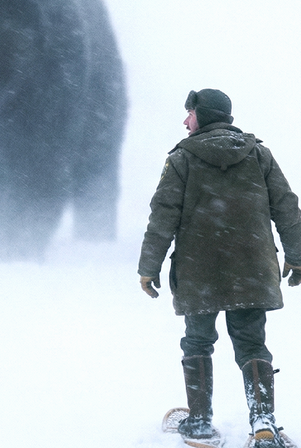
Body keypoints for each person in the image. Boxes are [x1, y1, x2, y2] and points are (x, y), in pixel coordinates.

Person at [138, 89, 301, 448]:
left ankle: (198, 424)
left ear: (204, 115)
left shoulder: (182, 159)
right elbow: (288, 208)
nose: (185, 121)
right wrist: (297, 254)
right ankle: (263, 424)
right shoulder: (258, 154)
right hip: (252, 270)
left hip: (200, 272)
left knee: (197, 341)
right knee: (252, 344)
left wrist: (148, 266)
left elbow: (162, 217)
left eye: (190, 113)